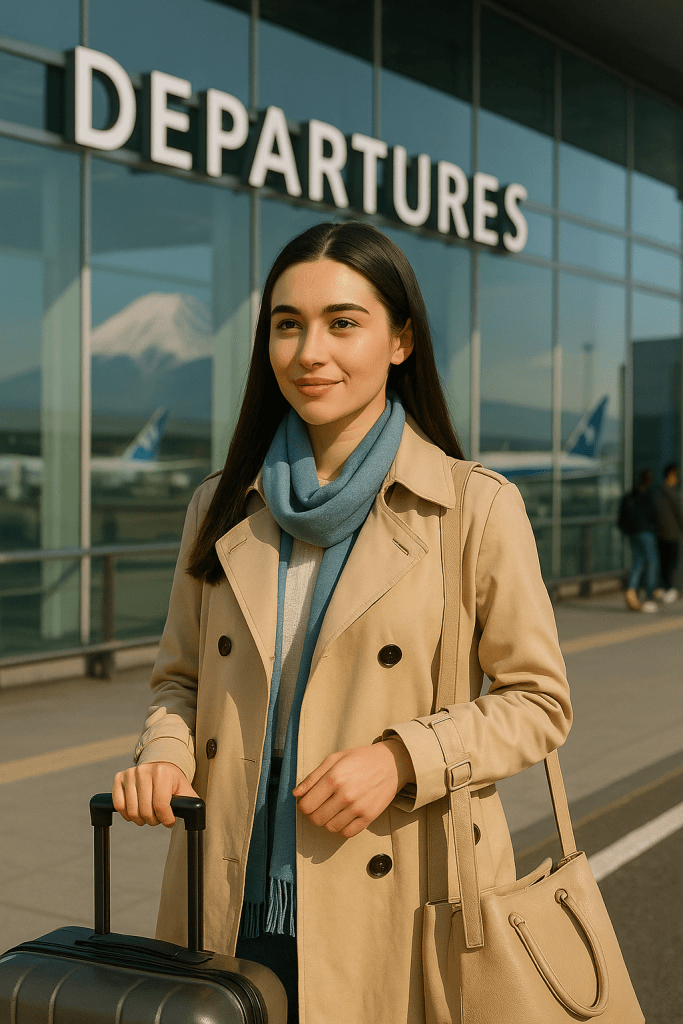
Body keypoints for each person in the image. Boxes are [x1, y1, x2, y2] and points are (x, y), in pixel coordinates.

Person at [112, 221, 572, 1024]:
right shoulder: (221, 505)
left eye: (342, 323)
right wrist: (163, 753)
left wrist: (400, 758)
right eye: (287, 325)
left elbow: (539, 702)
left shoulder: (472, 507)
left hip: (397, 889)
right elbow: (178, 681)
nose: (308, 351)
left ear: (400, 340)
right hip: (230, 883)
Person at [618, 468, 660, 612]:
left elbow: (621, 518)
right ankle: (649, 594)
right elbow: (654, 515)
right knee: (652, 562)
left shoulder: (629, 495)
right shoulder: (649, 495)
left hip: (633, 534)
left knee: (638, 562)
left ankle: (631, 591)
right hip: (646, 533)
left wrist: (627, 531)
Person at [655, 462, 683, 602]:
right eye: (676, 475)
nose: (677, 478)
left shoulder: (658, 492)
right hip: (672, 534)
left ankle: (664, 588)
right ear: (670, 475)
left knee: (664, 563)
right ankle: (671, 589)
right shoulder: (673, 492)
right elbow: (679, 512)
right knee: (672, 563)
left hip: (660, 534)